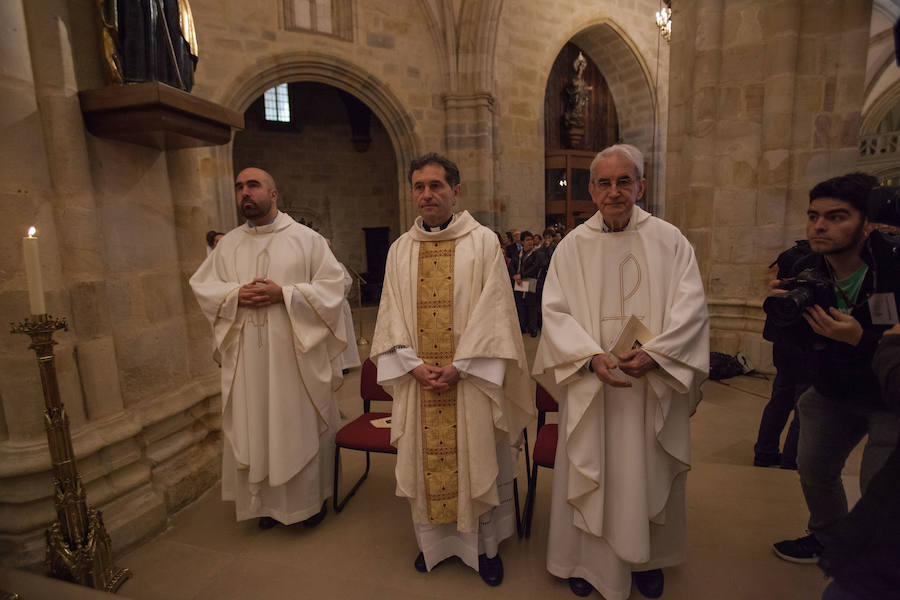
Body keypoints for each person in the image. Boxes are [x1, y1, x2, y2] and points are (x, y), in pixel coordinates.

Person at [533, 143, 709, 600]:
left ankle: (645, 558)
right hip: (593, 387)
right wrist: (589, 358)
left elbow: (692, 312)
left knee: (644, 467)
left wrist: (658, 355)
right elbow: (554, 314)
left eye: (624, 181)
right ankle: (584, 561)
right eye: (605, 183)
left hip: (649, 387)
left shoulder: (671, 242)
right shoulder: (571, 247)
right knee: (588, 467)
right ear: (591, 189)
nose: (615, 191)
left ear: (641, 186)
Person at [370, 153, 534, 587]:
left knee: (480, 457)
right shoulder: (399, 250)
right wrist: (413, 366)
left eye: (436, 185)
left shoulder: (482, 242)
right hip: (419, 380)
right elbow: (391, 315)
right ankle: (435, 546)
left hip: (471, 382)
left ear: (455, 191)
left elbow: (496, 313)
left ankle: (487, 549)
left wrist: (462, 367)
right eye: (419, 186)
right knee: (426, 464)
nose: (427, 194)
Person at [190, 167, 348, 530]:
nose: (245, 192)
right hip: (248, 359)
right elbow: (203, 286)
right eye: (239, 187)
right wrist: (233, 295)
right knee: (256, 422)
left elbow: (333, 287)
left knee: (296, 423)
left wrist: (285, 294)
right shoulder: (227, 244)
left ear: (273, 194)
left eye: (254, 185)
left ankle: (309, 503)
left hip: (295, 358)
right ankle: (268, 505)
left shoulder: (306, 239)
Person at [767, 173, 900, 563]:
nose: (820, 226)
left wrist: (863, 339)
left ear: (867, 223)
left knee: (879, 486)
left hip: (889, 396)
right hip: (833, 389)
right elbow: (797, 346)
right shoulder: (808, 267)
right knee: (813, 467)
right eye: (813, 215)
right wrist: (785, 314)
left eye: (837, 217)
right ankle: (828, 538)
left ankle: (875, 562)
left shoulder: (893, 266)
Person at [818, 323, 900, 600]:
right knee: (815, 467)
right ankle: (823, 535)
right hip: (837, 390)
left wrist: (881, 343)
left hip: (884, 404)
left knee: (874, 482)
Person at [753, 240, 813, 470]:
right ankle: (791, 460)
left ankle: (764, 453)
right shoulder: (815, 265)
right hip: (804, 340)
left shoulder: (790, 257)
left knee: (780, 396)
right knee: (803, 403)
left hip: (783, 340)